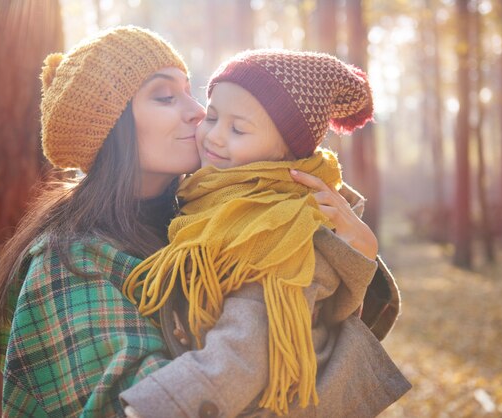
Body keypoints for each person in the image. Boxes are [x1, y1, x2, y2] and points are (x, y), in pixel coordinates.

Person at [0, 26, 408, 418]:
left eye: (190, 93)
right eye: (165, 97)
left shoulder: (208, 219)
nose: (195, 112)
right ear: (111, 128)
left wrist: (351, 262)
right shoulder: (68, 262)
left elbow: (295, 342)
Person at [122, 49, 410, 416]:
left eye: (239, 129)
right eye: (212, 117)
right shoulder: (216, 198)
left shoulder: (279, 224)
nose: (215, 137)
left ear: (285, 153)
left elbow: (247, 348)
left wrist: (159, 409)